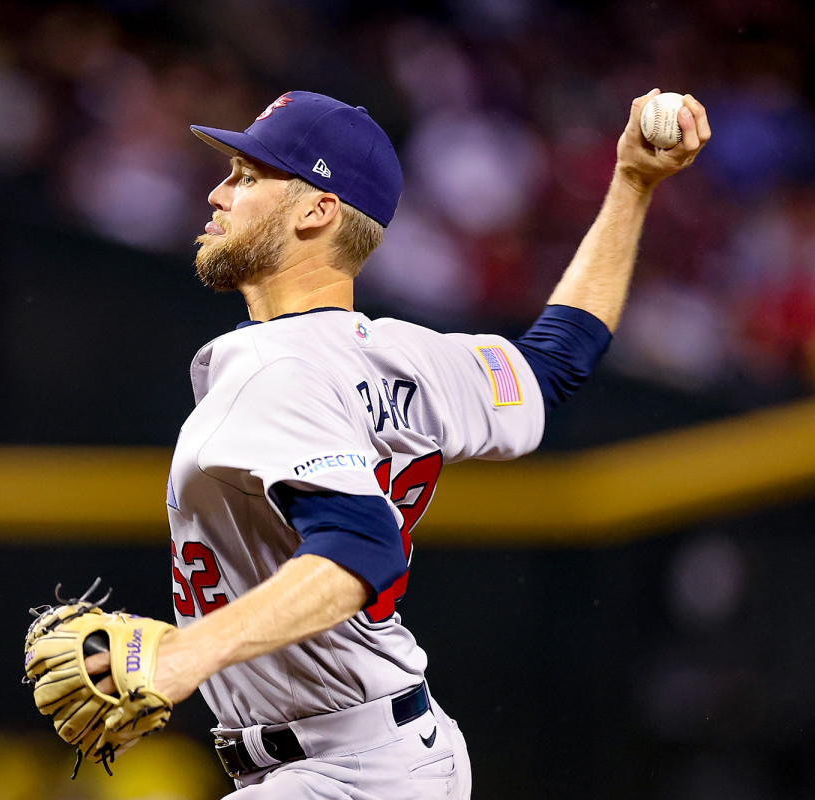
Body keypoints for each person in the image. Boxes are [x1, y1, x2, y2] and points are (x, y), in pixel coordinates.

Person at [90, 88, 709, 798]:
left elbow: (363, 547)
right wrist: (631, 184)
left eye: (247, 176)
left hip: (344, 770)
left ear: (317, 211)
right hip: (379, 757)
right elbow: (555, 362)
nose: (217, 193)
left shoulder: (276, 369)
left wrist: (183, 656)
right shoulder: (407, 356)